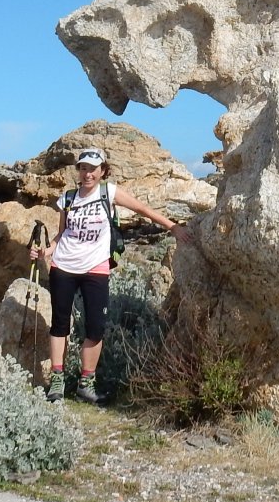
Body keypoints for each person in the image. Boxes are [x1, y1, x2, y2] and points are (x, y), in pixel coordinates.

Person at [28, 147, 189, 403]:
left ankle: (86, 383)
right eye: (83, 168)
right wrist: (45, 252)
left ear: (103, 170)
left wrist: (172, 227)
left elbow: (143, 210)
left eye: (93, 168)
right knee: (60, 325)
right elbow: (61, 235)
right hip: (64, 266)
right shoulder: (67, 199)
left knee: (96, 328)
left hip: (96, 268)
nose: (87, 173)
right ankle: (57, 381)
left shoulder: (109, 193)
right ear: (78, 171)